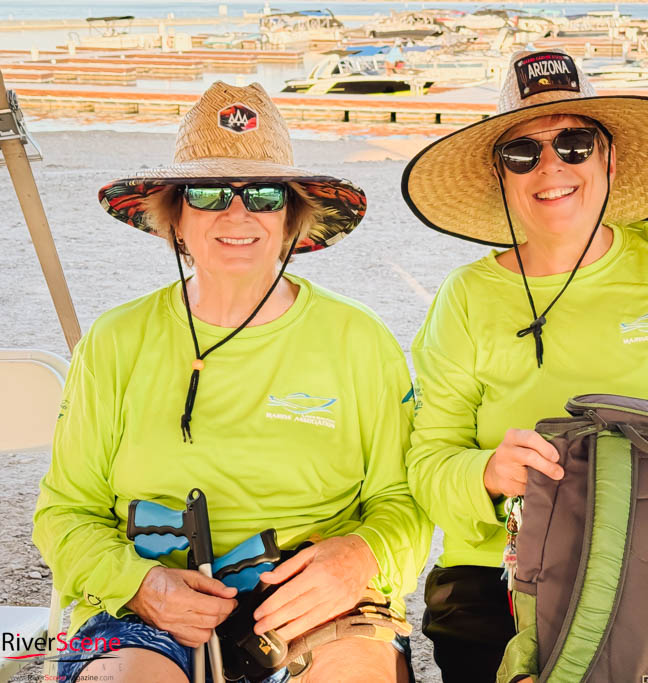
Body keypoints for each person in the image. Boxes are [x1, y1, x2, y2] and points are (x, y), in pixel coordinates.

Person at [400, 49, 648, 681]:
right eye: (521, 152)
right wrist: (486, 472)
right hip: (505, 577)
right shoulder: (465, 296)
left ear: (608, 157)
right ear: (501, 177)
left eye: (574, 143)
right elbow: (427, 465)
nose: (550, 166)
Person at [33, 81, 430, 683]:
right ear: (175, 217)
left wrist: (362, 557)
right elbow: (64, 513)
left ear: (294, 216)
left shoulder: (360, 340)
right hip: (148, 603)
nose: (237, 214)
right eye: (209, 192)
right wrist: (140, 584)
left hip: (313, 601)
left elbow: (404, 504)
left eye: (265, 194)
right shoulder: (114, 341)